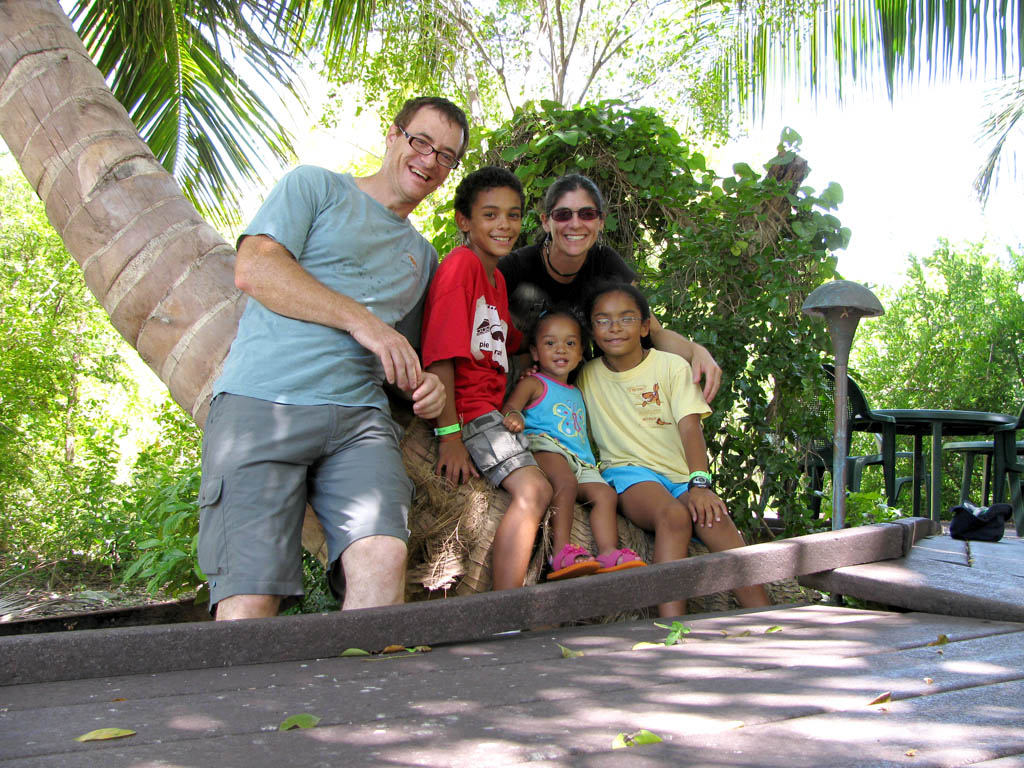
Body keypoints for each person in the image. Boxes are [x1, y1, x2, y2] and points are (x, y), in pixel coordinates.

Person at [198, 96, 469, 620]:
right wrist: (363, 320)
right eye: (421, 141)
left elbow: (404, 359)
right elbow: (255, 268)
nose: (430, 160)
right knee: (249, 600)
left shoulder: (424, 258)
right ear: (392, 136)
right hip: (262, 402)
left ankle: (359, 698)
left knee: (383, 558)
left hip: (358, 423)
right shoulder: (316, 186)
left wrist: (427, 389)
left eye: (446, 156)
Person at [578, 282, 770, 617]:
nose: (614, 328)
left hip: (681, 476)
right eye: (603, 320)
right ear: (592, 331)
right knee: (673, 516)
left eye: (626, 318)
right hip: (629, 473)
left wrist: (699, 484)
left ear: (645, 326)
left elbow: (689, 428)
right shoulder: (586, 376)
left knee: (716, 521)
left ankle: (771, 620)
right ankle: (671, 630)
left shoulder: (670, 366)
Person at [421, 166, 553, 591]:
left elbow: (505, 339)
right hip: (471, 415)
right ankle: (504, 608)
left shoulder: (494, 279)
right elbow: (441, 353)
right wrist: (449, 436)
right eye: (491, 215)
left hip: (492, 411)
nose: (504, 226)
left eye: (513, 216)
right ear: (465, 221)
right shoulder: (461, 265)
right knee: (534, 492)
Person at [497, 173, 723, 403]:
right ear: (546, 221)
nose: (575, 223)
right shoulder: (515, 268)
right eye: (563, 215)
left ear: (600, 221)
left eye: (587, 214)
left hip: (573, 391)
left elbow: (652, 331)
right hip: (510, 384)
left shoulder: (605, 264)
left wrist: (695, 351)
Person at [502, 309, 646, 579]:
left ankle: (607, 551)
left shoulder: (578, 389)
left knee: (605, 495)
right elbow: (510, 407)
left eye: (570, 343)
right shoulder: (534, 383)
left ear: (581, 353)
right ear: (535, 352)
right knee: (564, 483)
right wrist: (514, 417)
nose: (560, 350)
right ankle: (560, 552)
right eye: (550, 343)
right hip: (546, 447)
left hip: (582, 460)